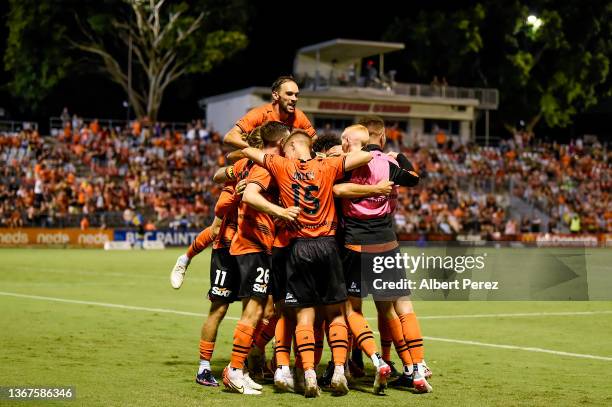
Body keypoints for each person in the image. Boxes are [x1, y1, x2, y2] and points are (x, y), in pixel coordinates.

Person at [241, 129, 373, 397]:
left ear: (289, 148)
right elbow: (365, 156)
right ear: (309, 147)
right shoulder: (328, 164)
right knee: (336, 313)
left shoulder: (281, 164)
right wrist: (341, 152)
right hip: (327, 246)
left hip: (299, 248)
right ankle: (338, 371)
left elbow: (248, 151)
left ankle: (309, 375)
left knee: (303, 315)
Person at [338, 117, 432, 393]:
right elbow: (414, 178)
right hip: (387, 242)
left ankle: (369, 360)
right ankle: (415, 368)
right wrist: (398, 157)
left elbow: (336, 189)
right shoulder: (389, 164)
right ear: (382, 138)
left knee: (352, 308)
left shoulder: (347, 162)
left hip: (355, 243)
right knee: (396, 306)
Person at [223, 76, 316, 149]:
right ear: (275, 95)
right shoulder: (259, 114)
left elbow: (314, 139)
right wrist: (255, 151)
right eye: (289, 94)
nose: (294, 99)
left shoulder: (299, 115)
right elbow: (229, 137)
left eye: (296, 95)